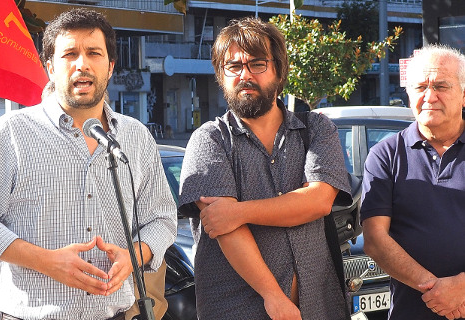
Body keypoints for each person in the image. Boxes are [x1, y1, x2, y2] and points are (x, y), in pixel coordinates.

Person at [0, 8, 177, 320]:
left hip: (114, 313)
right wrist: (46, 261)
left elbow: (162, 218)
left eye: (94, 53)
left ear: (110, 66)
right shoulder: (12, 133)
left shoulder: (136, 137)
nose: (82, 64)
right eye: (69, 53)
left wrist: (133, 257)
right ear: (50, 67)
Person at [178, 17, 350, 320]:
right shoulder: (208, 140)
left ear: (279, 71)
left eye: (257, 64)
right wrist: (274, 297)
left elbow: (319, 201)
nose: (245, 74)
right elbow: (223, 226)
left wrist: (240, 211)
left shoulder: (317, 129)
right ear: (221, 75)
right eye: (233, 66)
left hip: (320, 308)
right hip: (236, 310)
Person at [361, 45, 465, 320]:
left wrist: (462, 288)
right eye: (419, 87)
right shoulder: (384, 155)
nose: (429, 96)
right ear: (408, 95)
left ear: (464, 94)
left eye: (441, 85)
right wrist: (435, 290)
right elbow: (374, 239)